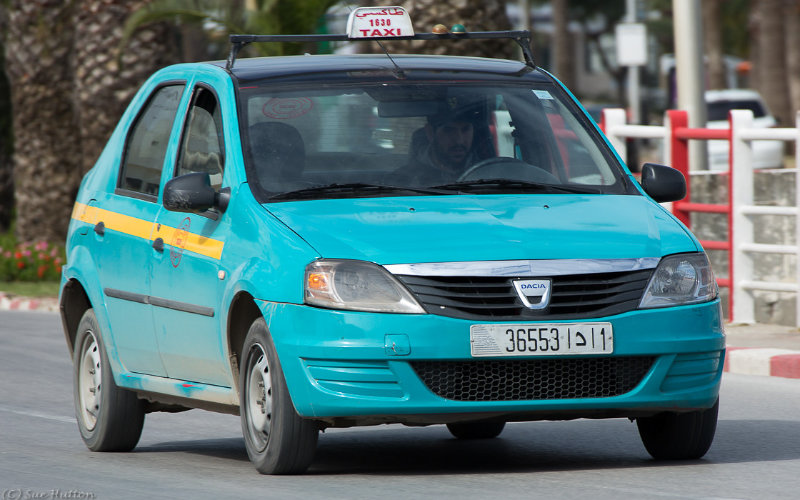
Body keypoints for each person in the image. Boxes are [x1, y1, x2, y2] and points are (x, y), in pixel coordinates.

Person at [397, 106, 482, 187]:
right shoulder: (402, 182)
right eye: (448, 130)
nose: (459, 140)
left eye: (466, 129)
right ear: (430, 132)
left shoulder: (489, 172)